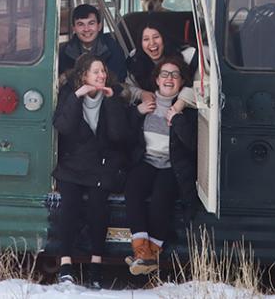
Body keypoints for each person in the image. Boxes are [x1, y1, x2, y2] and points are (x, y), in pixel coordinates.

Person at [52, 53, 132, 289]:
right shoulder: (70, 95)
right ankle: (66, 264)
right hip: (73, 165)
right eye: (96, 71)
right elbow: (63, 127)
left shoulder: (113, 96)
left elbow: (119, 135)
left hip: (102, 165)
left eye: (103, 71)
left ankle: (96, 265)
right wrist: (77, 97)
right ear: (83, 75)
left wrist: (111, 100)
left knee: (99, 207)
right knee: (69, 205)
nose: (101, 75)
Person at [124, 56, 198, 275]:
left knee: (160, 199)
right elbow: (125, 133)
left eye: (175, 75)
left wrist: (177, 117)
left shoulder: (187, 109)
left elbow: (192, 143)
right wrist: (137, 112)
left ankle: (151, 253)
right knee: (133, 190)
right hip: (147, 161)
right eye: (164, 74)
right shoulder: (146, 103)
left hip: (171, 166)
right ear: (156, 80)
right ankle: (142, 252)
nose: (169, 79)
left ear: (182, 81)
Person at [125, 19, 197, 112]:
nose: (152, 43)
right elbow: (126, 88)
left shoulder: (187, 56)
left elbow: (201, 88)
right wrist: (141, 94)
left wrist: (181, 102)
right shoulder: (135, 59)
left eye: (156, 37)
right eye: (146, 39)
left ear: (164, 38)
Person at [59, 4, 126, 82]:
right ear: (74, 28)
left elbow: (118, 82)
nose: (86, 29)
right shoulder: (64, 52)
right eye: (80, 24)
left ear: (99, 26)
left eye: (91, 23)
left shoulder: (114, 49)